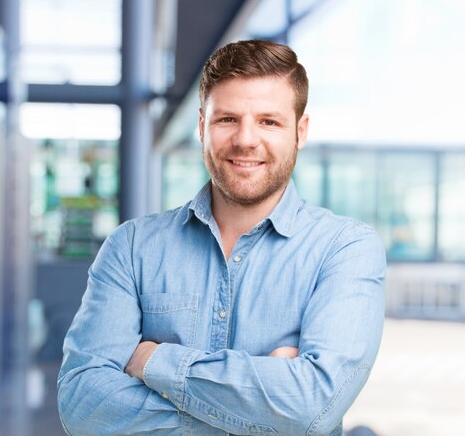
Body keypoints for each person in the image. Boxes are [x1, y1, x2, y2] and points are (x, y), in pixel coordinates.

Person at [57, 39, 385, 436]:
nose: (246, 139)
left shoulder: (345, 250)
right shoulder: (131, 248)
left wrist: (152, 362)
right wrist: (262, 411)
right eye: (228, 119)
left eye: (269, 121)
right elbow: (82, 405)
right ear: (201, 126)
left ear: (300, 131)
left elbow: (310, 408)